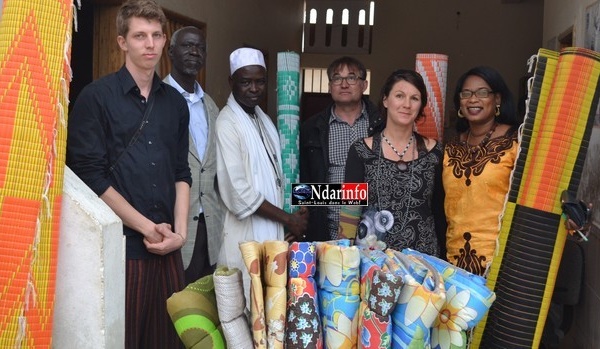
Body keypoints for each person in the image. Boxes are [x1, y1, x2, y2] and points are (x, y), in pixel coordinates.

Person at [66, 1, 189, 348]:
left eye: (155, 35)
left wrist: (180, 233)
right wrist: (146, 227)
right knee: (124, 338)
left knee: (168, 339)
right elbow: (91, 176)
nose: (149, 44)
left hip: (169, 246)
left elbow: (182, 171)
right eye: (139, 36)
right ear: (122, 42)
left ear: (164, 40)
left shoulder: (175, 104)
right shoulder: (96, 98)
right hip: (122, 245)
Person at [215, 47, 308, 294]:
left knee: (274, 305)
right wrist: (288, 219)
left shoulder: (263, 119)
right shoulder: (227, 123)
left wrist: (298, 211)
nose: (254, 89)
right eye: (246, 82)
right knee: (249, 303)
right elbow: (238, 192)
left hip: (275, 230)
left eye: (260, 82)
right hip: (246, 234)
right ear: (231, 82)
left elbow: (280, 175)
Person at [344, 69, 446, 256]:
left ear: (421, 105)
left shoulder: (435, 152)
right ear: (385, 100)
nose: (406, 104)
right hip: (374, 262)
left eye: (414, 98)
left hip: (424, 263)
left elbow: (440, 211)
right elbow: (349, 213)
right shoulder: (360, 151)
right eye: (399, 96)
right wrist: (344, 258)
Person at [443, 66, 521, 276]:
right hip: (454, 263)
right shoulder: (451, 147)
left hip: (502, 264)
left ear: (497, 99)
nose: (473, 99)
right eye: (466, 93)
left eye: (482, 93)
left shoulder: (517, 142)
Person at [300, 56, 384, 242]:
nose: (344, 84)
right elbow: (302, 185)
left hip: (375, 231)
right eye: (337, 78)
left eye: (352, 78)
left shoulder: (381, 125)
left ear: (364, 85)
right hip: (325, 230)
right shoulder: (311, 128)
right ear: (330, 86)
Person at [164, 26, 224, 284]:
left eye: (199, 47)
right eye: (187, 45)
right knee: (171, 305)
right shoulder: (157, 99)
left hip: (208, 228)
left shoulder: (211, 106)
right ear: (170, 52)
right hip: (170, 225)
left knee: (202, 306)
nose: (194, 52)